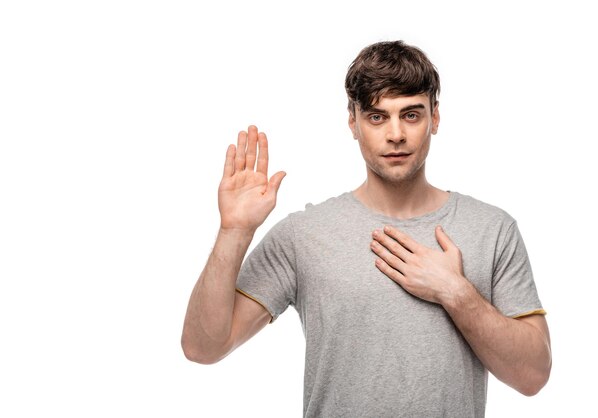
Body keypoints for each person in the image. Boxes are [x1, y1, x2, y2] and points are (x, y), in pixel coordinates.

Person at [181, 40, 552, 417]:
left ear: (435, 118)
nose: (395, 134)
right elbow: (203, 347)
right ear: (353, 122)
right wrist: (234, 231)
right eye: (377, 117)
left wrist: (456, 293)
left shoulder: (492, 229)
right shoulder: (304, 235)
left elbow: (533, 375)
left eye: (411, 115)